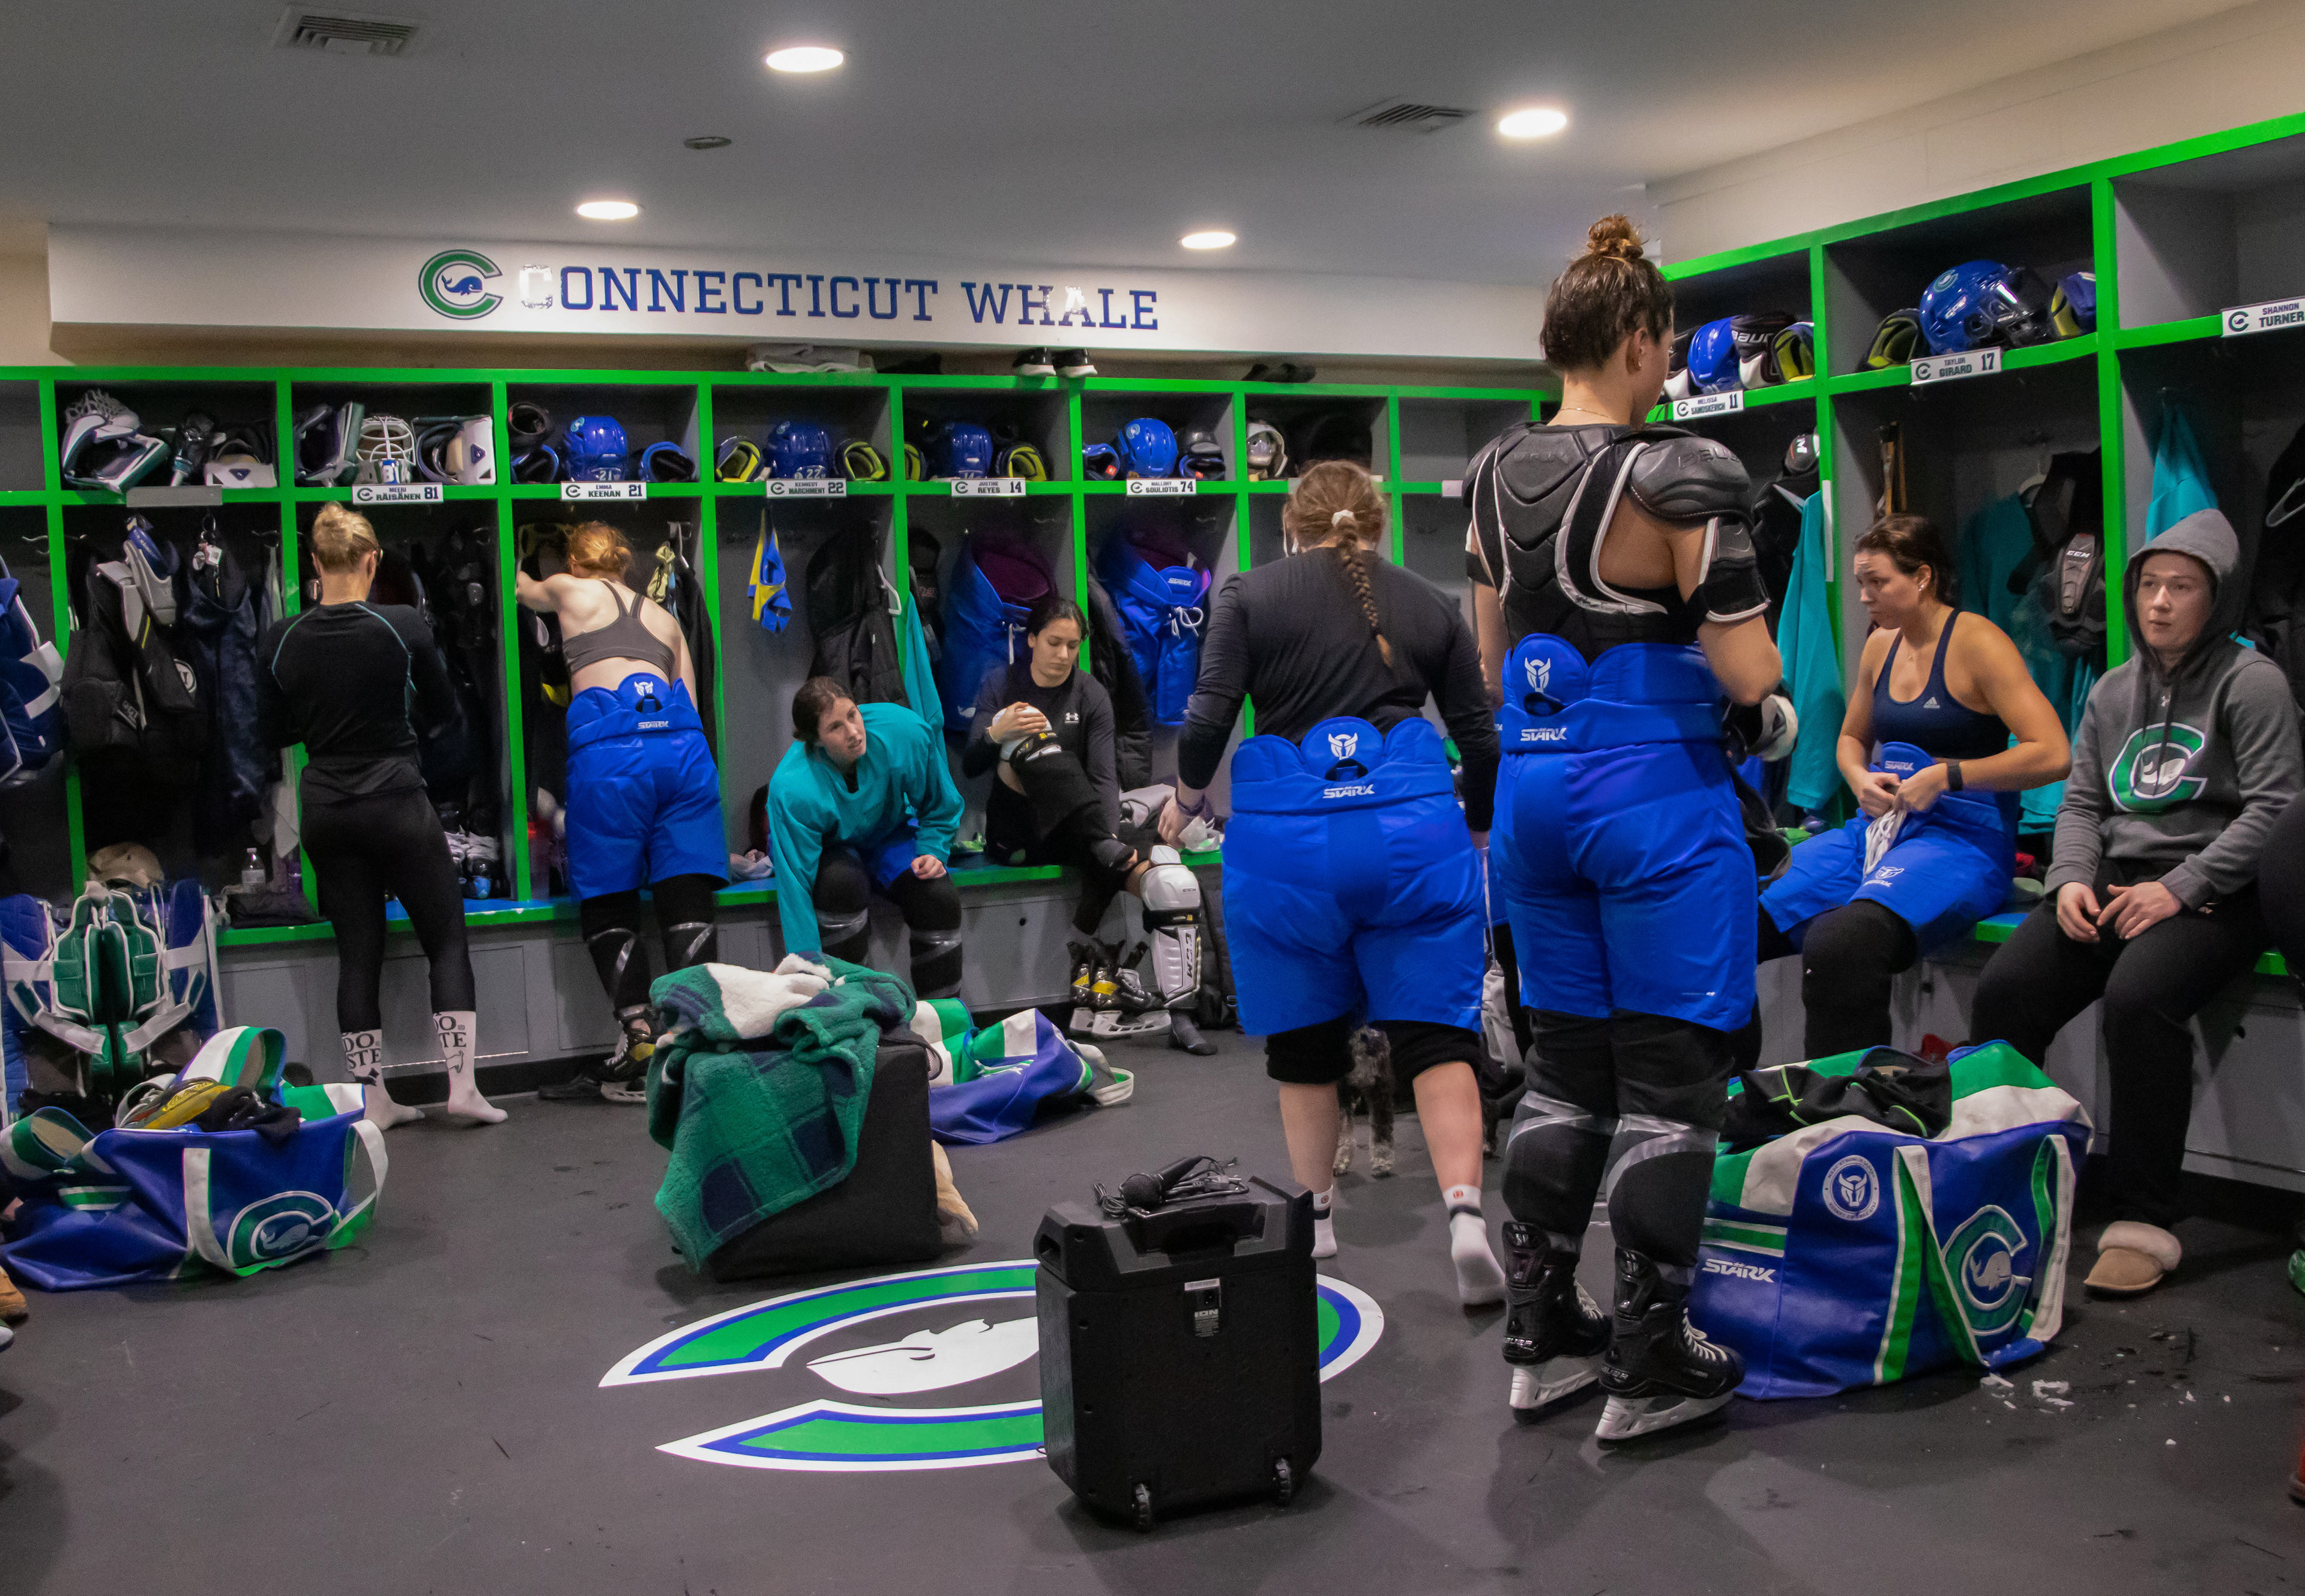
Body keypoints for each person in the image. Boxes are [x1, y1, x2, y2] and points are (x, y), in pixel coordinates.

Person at [1465, 215, 1785, 1441]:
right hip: (1650, 796)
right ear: (1643, 341)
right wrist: (1761, 711)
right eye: (1669, 340)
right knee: (1671, 1081)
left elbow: (1495, 665)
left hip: (1533, 796)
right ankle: (1653, 1356)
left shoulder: (1494, 474)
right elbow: (1751, 671)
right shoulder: (1678, 473)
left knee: (1564, 1073)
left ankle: (1544, 1338)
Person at [1156, 459, 1507, 1309]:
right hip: (1412, 829)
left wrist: (1187, 795)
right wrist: (1475, 824)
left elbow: (1207, 718)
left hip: (1290, 844)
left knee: (1305, 1046)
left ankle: (1315, 1223)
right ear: (1378, 524)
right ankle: (1465, 1213)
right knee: (1436, 1031)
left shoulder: (1248, 595)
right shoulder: (1427, 602)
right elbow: (1479, 734)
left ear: (1292, 523)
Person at [1971, 510, 2300, 1297]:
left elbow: (2276, 810)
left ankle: (2144, 1218)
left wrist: (2180, 888)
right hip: (2115, 878)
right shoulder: (2116, 687)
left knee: (2139, 996)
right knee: (2006, 990)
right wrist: (2071, 879)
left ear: (2215, 598)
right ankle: (1998, 1181)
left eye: (2180, 587)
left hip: (2220, 887)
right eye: (2149, 584)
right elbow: (2081, 802)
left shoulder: (2251, 682)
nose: (2158, 602)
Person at [1754, 514, 2070, 1061]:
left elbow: (2053, 752)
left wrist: (1950, 774)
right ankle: (1722, 1108)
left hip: (1960, 841)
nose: (1862, 596)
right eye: (1860, 582)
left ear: (1922, 577)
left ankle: (1849, 1117)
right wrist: (1857, 778)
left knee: (1843, 943)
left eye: (1876, 582)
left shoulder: (1978, 643)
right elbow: (1851, 737)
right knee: (1739, 918)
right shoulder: (1880, 646)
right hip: (1877, 830)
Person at [258, 504, 503, 1127]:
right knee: (445, 938)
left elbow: (275, 730)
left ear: (314, 564)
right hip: (396, 798)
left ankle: (374, 1099)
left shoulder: (281, 636)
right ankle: (463, 1090)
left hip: (326, 809)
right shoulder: (402, 625)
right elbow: (447, 711)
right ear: (373, 561)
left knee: (358, 953)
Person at [516, 522, 724, 1104]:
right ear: (626, 564)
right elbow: (689, 696)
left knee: (608, 895)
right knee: (685, 891)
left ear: (579, 564)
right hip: (684, 752)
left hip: (613, 754)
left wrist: (519, 545)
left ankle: (639, 1039)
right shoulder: (665, 617)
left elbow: (518, 590)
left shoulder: (568, 590)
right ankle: (696, 1041)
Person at [964, 593, 1213, 1053]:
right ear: (1033, 639)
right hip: (1016, 834)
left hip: (1077, 831)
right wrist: (997, 733)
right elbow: (972, 764)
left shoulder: (1091, 692)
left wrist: (1108, 834)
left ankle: (1182, 1014)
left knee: (1171, 881)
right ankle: (1102, 849)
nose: (1064, 655)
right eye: (1054, 643)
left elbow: (1103, 777)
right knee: (1035, 740)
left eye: (1073, 646)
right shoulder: (1002, 683)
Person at [768, 679, 966, 995]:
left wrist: (933, 849)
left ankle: (946, 1021)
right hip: (833, 848)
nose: (853, 732)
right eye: (835, 727)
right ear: (814, 741)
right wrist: (808, 971)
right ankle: (853, 1012)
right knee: (841, 888)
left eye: (852, 715)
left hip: (890, 834)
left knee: (938, 897)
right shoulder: (792, 788)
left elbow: (941, 804)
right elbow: (795, 885)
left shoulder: (905, 732)